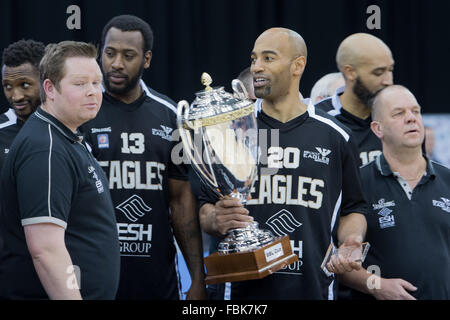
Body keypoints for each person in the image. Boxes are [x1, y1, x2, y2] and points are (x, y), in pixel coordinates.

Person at [198, 27, 368, 300]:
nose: (257, 67)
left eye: (268, 58)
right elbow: (203, 207)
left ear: (297, 65)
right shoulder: (228, 131)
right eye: (254, 59)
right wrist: (214, 218)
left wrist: (351, 240)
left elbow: (352, 208)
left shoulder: (336, 136)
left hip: (312, 288)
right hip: (239, 292)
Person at [80, 15, 205, 300]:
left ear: (147, 59)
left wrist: (198, 277)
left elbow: (181, 199)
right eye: (110, 53)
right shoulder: (80, 112)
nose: (117, 64)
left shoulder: (171, 116)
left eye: (129, 55)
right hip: (95, 275)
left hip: (156, 277)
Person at [0, 41, 120, 299]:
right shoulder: (46, 148)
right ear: (50, 89)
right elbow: (46, 250)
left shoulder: (65, 135)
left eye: (96, 82)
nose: (92, 92)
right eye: (79, 84)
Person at [335, 85, 450, 300]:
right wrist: (376, 285)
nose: (411, 118)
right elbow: (337, 265)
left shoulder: (447, 179)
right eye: (399, 113)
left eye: (415, 111)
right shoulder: (356, 182)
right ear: (378, 129)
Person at [315, 33, 394, 166]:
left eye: (390, 70)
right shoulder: (319, 121)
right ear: (350, 72)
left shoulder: (402, 115)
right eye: (378, 73)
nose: (388, 81)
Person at [0, 40, 45, 170]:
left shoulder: (68, 127)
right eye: (8, 86)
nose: (16, 96)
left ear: (45, 81)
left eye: (24, 85)